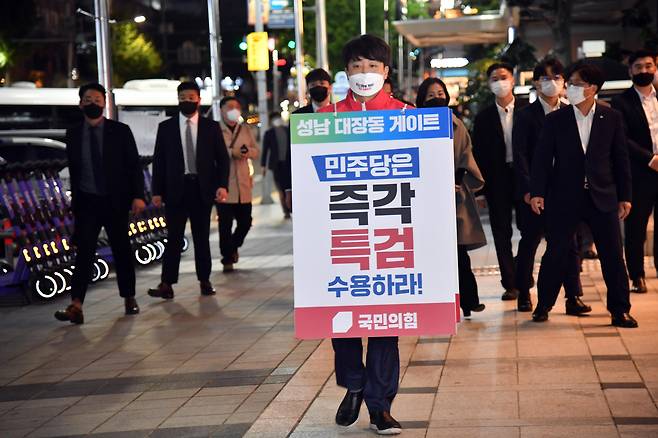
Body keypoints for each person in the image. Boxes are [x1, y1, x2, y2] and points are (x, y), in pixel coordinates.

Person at [317, 34, 408, 436]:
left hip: (390, 239)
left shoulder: (407, 116)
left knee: (387, 325)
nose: (364, 74)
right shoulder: (327, 119)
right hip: (345, 239)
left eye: (372, 66)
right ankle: (354, 383)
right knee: (346, 321)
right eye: (356, 66)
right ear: (345, 73)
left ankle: (380, 406)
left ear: (386, 72)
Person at [529, 62, 637, 328]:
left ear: (592, 88)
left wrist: (626, 196)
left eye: (577, 83)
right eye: (571, 83)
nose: (571, 88)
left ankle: (620, 310)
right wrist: (537, 193)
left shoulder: (610, 117)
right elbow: (542, 159)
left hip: (603, 196)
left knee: (612, 255)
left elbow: (621, 159)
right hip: (565, 197)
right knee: (556, 252)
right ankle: (543, 305)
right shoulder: (556, 119)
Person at [55, 83, 146, 324]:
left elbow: (133, 166)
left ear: (105, 103)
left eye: (97, 99)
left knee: (121, 250)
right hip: (87, 202)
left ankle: (129, 297)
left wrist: (138, 195)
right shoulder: (73, 133)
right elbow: (74, 169)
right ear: (80, 104)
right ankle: (76, 304)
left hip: (115, 201)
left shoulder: (120, 131)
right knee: (84, 252)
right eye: (88, 99)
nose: (93, 103)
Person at [512, 58, 591, 315]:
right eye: (546, 78)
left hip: (566, 190)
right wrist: (529, 189)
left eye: (557, 77)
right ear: (536, 82)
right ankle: (524, 292)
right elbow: (520, 155)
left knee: (569, 244)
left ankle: (573, 296)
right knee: (530, 242)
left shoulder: (572, 110)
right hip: (535, 190)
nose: (552, 83)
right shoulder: (525, 115)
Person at [148, 81, 229, 300]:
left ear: (199, 100)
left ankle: (205, 280)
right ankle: (167, 283)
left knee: (202, 237)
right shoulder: (166, 127)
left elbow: (222, 159)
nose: (187, 101)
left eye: (191, 97)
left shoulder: (210, 127)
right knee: (173, 237)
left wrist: (222, 185)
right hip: (176, 189)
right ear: (178, 100)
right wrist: (157, 191)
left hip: (202, 189)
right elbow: (159, 161)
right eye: (183, 97)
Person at [416, 77, 487, 317]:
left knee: (457, 252)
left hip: (452, 199)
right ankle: (437, 303)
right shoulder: (412, 127)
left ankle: (469, 300)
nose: (437, 98)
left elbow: (468, 161)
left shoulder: (456, 125)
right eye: (430, 96)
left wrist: (458, 183)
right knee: (431, 254)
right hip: (422, 200)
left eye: (440, 93)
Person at [472, 62, 521, 301]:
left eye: (503, 76)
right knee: (501, 233)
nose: (499, 82)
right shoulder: (483, 118)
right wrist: (480, 191)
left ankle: (521, 271)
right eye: (494, 79)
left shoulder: (527, 110)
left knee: (532, 230)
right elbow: (478, 154)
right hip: (496, 181)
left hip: (524, 179)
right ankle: (510, 283)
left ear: (513, 79)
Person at [611, 49, 658, 293]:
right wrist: (650, 159)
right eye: (638, 67)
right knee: (636, 227)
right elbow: (623, 139)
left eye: (648, 66)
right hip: (639, 172)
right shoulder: (621, 102)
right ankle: (637, 275)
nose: (644, 71)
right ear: (630, 71)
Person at [217, 96, 260, 273]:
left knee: (246, 222)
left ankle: (232, 248)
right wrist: (233, 152)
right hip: (224, 185)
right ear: (222, 110)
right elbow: (213, 153)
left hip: (243, 185)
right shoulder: (215, 130)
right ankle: (227, 258)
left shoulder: (245, 130)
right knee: (225, 225)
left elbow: (255, 151)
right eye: (230, 106)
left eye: (237, 106)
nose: (234, 109)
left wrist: (246, 152)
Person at [281, 68, 333, 209]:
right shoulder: (299, 117)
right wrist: (288, 189)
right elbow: (290, 154)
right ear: (308, 89)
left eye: (322, 83)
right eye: (313, 85)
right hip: (306, 182)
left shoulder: (340, 113)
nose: (318, 87)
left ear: (330, 87)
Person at [261, 112, 291, 218]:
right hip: (276, 165)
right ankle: (286, 211)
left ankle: (291, 207)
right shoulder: (269, 133)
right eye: (274, 119)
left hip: (289, 164)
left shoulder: (288, 130)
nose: (277, 120)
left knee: (290, 188)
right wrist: (263, 166)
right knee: (281, 189)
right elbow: (265, 150)